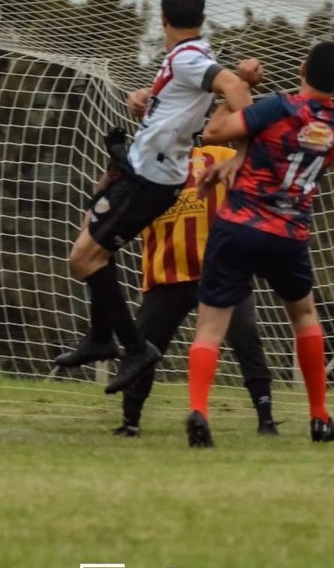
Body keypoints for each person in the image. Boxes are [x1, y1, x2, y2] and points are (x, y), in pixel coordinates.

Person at [54, 0, 260, 396]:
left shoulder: (187, 59)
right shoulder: (189, 58)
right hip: (138, 167)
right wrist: (146, 100)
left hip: (151, 178)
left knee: (83, 261)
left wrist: (247, 150)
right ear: (201, 20)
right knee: (91, 242)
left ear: (163, 19)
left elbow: (234, 90)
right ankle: (100, 336)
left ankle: (134, 348)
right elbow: (189, 100)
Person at [184, 41, 334, 448]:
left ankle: (199, 410)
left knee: (211, 327)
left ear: (301, 68)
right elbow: (294, 159)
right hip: (290, 232)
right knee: (305, 316)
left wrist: (240, 84)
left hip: (240, 223)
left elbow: (214, 131)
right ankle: (318, 417)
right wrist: (242, 157)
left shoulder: (279, 106)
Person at [113, 143, 276, 438]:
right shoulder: (146, 159)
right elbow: (116, 197)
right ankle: (130, 421)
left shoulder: (225, 156)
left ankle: (266, 420)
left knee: (247, 341)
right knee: (144, 348)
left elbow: (259, 191)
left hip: (223, 269)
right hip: (167, 273)